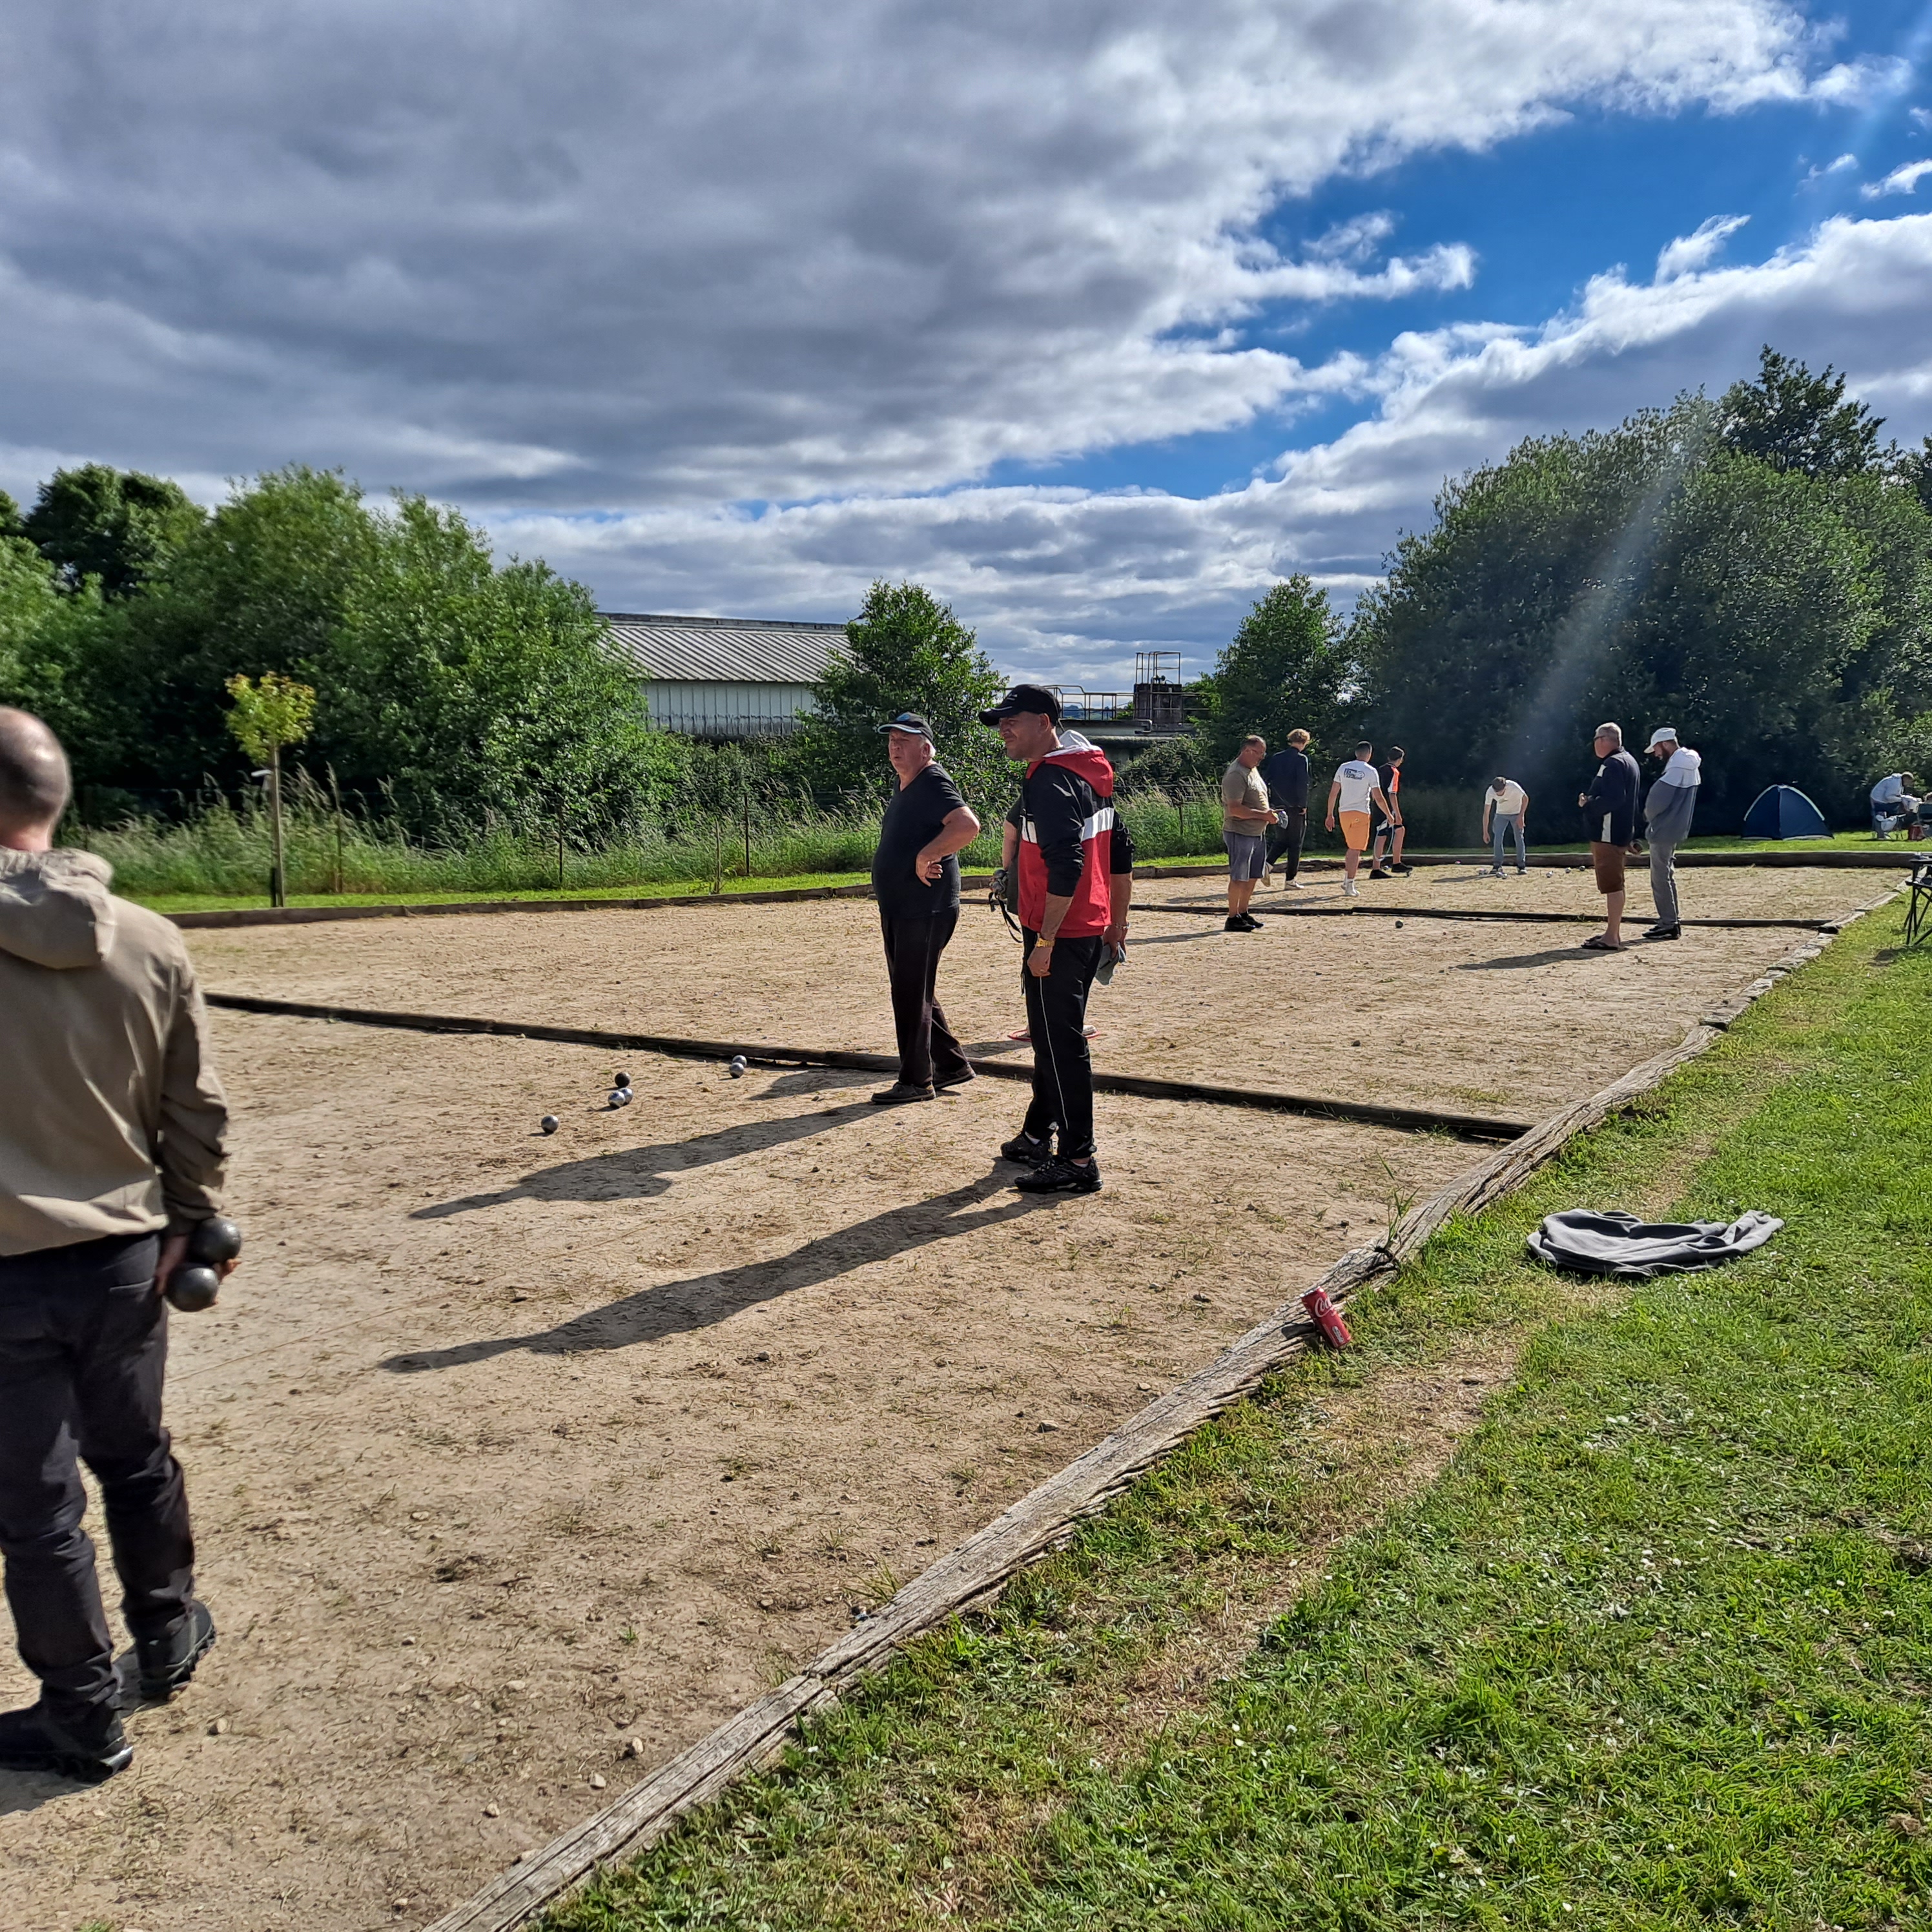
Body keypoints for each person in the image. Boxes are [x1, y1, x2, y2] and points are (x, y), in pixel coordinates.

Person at [0, 708, 232, 1784]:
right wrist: (192, 1215)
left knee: (36, 1505)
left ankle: (81, 1713)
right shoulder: (150, 939)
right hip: (131, 1253)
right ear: (54, 801)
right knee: (135, 1454)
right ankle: (170, 1626)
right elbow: (197, 1111)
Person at [980, 686, 1122, 1195]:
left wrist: (1046, 941)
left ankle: (1079, 1161)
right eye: (999, 721)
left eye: (1010, 720)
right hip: (1083, 923)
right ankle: (1039, 1133)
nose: (1002, 729)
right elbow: (1119, 851)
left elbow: (1069, 864)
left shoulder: (1053, 780)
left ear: (1043, 722)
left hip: (1060, 930)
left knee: (1061, 1044)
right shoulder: (1090, 771)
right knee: (1049, 1036)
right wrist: (1114, 921)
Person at [868, 712, 981, 1104]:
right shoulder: (908, 784)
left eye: (905, 741)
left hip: (924, 906)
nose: (896, 747)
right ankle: (951, 1065)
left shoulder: (933, 781)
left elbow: (967, 825)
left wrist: (926, 856)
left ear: (926, 748)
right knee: (915, 989)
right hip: (903, 905)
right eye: (892, 740)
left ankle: (916, 1081)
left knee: (910, 993)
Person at [1577, 721, 1641, 951]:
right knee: (1615, 883)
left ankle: (1612, 936)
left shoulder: (1613, 764)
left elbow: (1615, 800)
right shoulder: (1629, 761)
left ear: (1604, 740)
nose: (1594, 744)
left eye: (1595, 739)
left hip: (1608, 833)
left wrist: (1588, 804)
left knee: (1612, 885)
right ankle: (1611, 932)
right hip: (1619, 831)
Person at [1641, 726, 1701, 940]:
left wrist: (1648, 817)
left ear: (1664, 744)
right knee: (1667, 873)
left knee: (1660, 877)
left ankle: (1668, 923)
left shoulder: (1676, 766)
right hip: (1677, 827)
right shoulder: (1690, 764)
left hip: (1664, 828)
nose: (1656, 754)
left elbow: (1656, 802)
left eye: (1657, 749)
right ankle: (1671, 920)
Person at [1219, 735, 1275, 931]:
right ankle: (1232, 917)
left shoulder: (1252, 770)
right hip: (1240, 832)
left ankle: (1243, 912)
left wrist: (1267, 815)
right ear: (1247, 751)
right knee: (1239, 876)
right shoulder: (1236, 774)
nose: (1261, 757)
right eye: (1259, 753)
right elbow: (1235, 809)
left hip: (1257, 832)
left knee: (1253, 875)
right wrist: (1264, 815)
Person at [1324, 742, 1393, 898]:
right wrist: (1389, 814)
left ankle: (1347, 879)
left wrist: (1330, 814)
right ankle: (1350, 884)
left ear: (1356, 753)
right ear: (1369, 755)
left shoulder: (1343, 767)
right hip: (1360, 812)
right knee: (1356, 850)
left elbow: (1334, 793)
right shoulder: (1370, 771)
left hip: (1344, 812)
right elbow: (1378, 797)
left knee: (1351, 847)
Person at [1259, 728, 1311, 889]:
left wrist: (1268, 801)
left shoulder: (1277, 758)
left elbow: (1266, 779)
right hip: (1295, 807)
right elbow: (1302, 783)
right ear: (1304, 742)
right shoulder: (1301, 759)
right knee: (1295, 843)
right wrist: (1303, 804)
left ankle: (1267, 865)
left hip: (1278, 806)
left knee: (1282, 840)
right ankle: (1290, 880)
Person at [1368, 746, 1408, 878]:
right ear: (1400, 759)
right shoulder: (1394, 772)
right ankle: (1376, 868)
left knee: (1399, 830)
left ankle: (1396, 862)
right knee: (1382, 835)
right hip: (1386, 808)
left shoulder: (1380, 770)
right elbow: (1392, 794)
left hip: (1378, 805)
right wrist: (1396, 813)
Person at [1481, 775, 1529, 876]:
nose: (1498, 795)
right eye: (1496, 792)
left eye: (1500, 792)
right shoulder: (1490, 792)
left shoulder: (1514, 787)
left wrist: (1521, 816)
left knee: (1519, 838)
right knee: (1498, 837)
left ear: (1505, 787)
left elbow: (1525, 799)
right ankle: (1497, 865)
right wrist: (1485, 832)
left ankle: (1521, 866)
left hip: (1516, 813)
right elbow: (1486, 812)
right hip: (1501, 815)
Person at [1871, 770, 1921, 836]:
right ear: (1905, 779)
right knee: (1880, 818)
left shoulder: (1898, 782)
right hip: (1879, 800)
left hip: (1880, 799)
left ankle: (1884, 832)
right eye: (1909, 781)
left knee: (1883, 817)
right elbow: (1888, 797)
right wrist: (1901, 800)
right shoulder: (1895, 783)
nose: (1909, 784)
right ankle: (1883, 832)